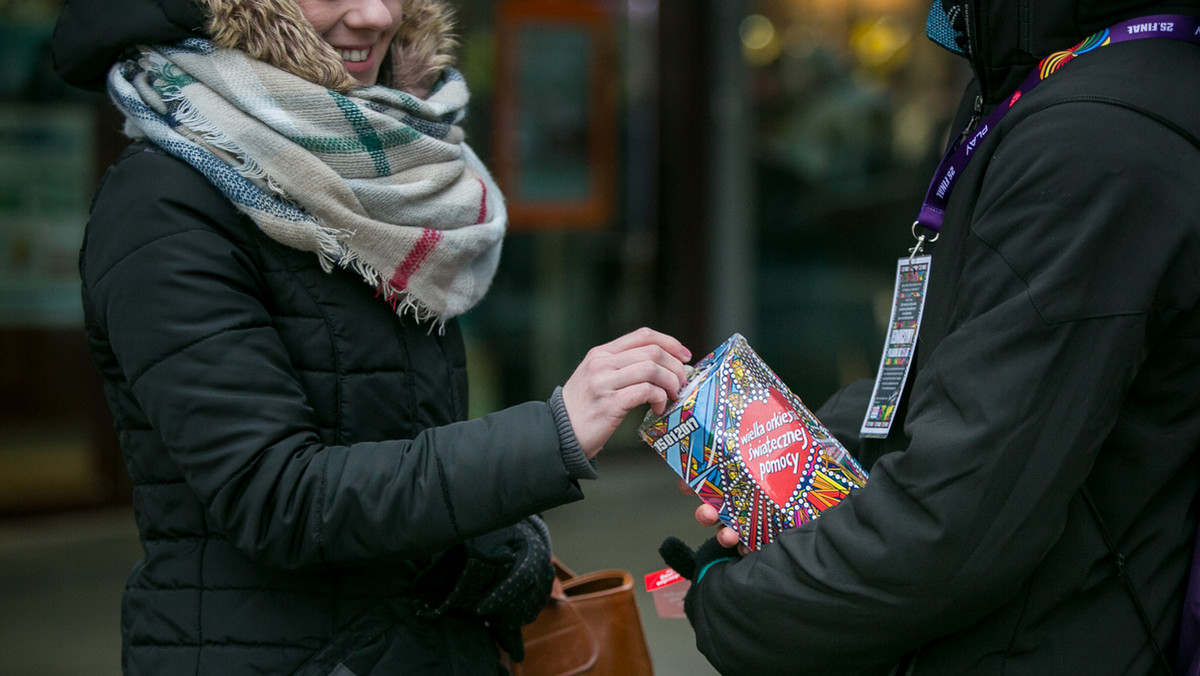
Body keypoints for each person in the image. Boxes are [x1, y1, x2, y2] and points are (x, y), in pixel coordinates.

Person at [50, 0, 691, 674]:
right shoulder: (164, 202)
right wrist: (549, 436)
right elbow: (276, 497)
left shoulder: (381, 178)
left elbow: (389, 434)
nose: (375, 15)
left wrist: (487, 540)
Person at [660, 0, 1200, 674]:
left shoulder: (1089, 135)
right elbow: (973, 384)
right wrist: (801, 459)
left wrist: (730, 597)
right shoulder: (1049, 84)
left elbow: (955, 526)